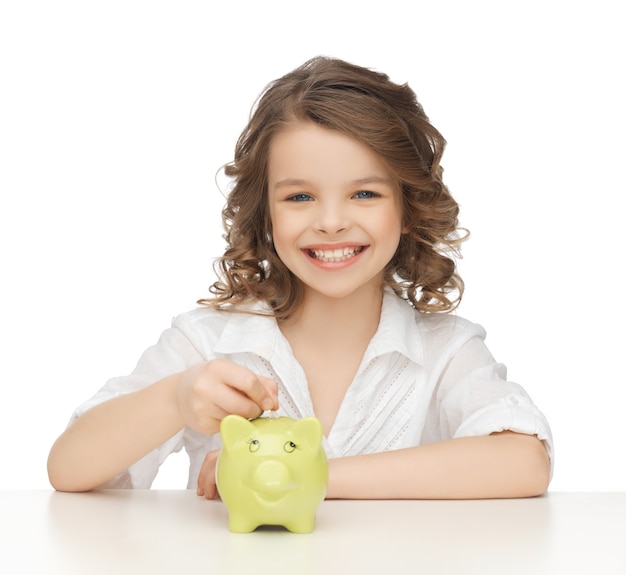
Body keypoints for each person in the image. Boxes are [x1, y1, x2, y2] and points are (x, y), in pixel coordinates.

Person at [47, 56, 553, 499]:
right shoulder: (207, 343)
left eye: (365, 194)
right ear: (264, 213)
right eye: (300, 197)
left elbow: (525, 463)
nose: (331, 221)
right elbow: (69, 469)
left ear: (408, 207)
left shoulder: (446, 351)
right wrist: (176, 397)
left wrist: (309, 474)